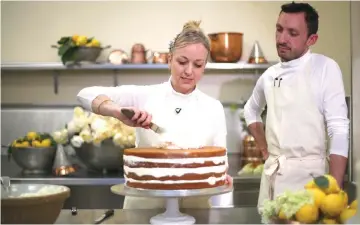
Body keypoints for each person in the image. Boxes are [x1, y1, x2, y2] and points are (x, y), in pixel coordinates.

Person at [77, 20, 233, 209]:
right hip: (143, 208)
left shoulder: (213, 107)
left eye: (198, 65)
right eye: (182, 62)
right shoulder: (145, 96)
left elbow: (220, 171)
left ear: (205, 66)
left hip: (197, 210)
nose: (189, 71)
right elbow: (84, 94)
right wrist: (117, 111)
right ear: (169, 60)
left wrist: (223, 217)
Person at [243, 2, 349, 213]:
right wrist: (265, 150)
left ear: (311, 39)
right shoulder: (269, 75)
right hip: (273, 178)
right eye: (279, 29)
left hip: (310, 182)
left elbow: (338, 130)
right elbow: (250, 110)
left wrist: (334, 192)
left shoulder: (325, 68)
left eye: (292, 33)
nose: (282, 39)